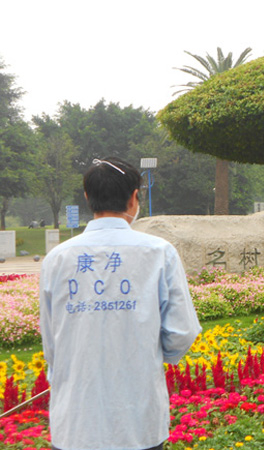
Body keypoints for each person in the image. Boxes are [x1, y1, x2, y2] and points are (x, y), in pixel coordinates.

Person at [39, 157, 202, 450]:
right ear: (134, 198)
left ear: (88, 197)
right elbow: (182, 332)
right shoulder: (159, 253)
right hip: (138, 422)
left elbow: (52, 340)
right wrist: (143, 355)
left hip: (76, 424)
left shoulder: (57, 259)